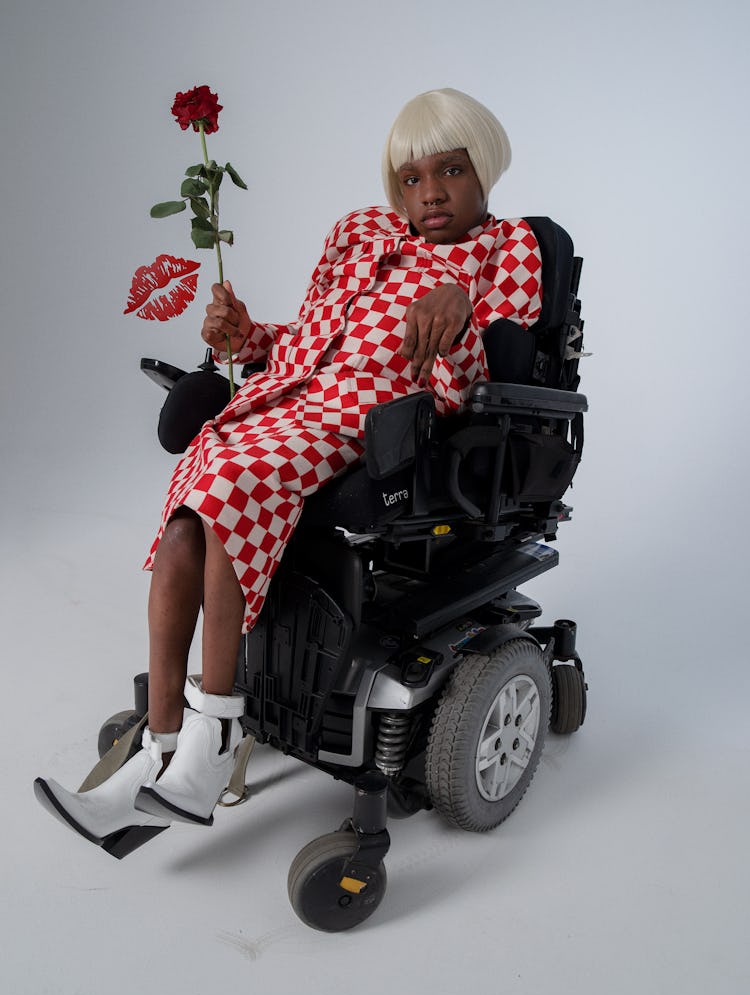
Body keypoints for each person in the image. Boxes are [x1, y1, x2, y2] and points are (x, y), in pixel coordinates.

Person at [34, 88, 543, 855]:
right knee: (184, 523)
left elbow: (483, 391)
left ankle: (212, 745)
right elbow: (306, 339)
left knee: (228, 473)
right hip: (289, 397)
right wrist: (247, 337)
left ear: (485, 169)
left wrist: (456, 324)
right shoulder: (357, 233)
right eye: (411, 178)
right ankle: (162, 749)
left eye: (451, 171)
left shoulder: (509, 250)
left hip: (376, 420)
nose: (430, 192)